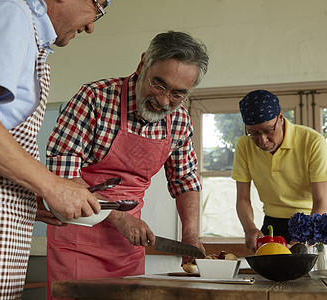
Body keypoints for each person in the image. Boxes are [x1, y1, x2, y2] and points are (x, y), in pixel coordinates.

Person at [0, 0, 111, 298]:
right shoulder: (10, 13)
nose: (91, 25)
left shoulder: (26, 31)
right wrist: (54, 186)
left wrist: (25, 197)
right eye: (99, 6)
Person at [45, 30, 209, 295]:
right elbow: (61, 174)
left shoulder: (179, 121)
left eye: (178, 94)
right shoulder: (95, 99)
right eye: (159, 85)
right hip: (77, 241)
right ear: (143, 63)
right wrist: (119, 218)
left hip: (128, 247)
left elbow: (185, 180)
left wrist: (191, 234)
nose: (164, 101)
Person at [232, 90, 327, 252]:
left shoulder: (313, 142)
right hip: (271, 225)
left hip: (308, 224)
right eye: (253, 133)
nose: (262, 141)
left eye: (268, 130)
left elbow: (321, 201)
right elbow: (243, 197)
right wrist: (249, 228)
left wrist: (305, 238)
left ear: (280, 117)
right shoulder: (244, 145)